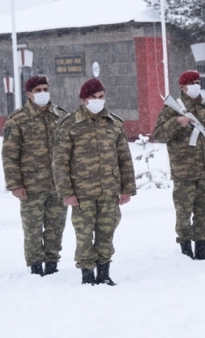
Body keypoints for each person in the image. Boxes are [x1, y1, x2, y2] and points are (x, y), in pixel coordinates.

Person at [52, 79, 136, 285]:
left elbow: (124, 158)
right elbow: (60, 162)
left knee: (107, 232)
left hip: (109, 190)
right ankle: (87, 276)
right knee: (84, 234)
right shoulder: (69, 124)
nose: (98, 101)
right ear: (84, 100)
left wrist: (127, 188)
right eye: (93, 97)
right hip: (82, 192)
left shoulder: (114, 123)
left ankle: (104, 274)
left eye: (101, 97)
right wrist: (66, 192)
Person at [1, 75, 69, 276]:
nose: (42, 93)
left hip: (58, 185)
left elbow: (70, 151)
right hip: (31, 186)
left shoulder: (61, 116)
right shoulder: (18, 120)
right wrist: (15, 184)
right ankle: (36, 267)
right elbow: (10, 155)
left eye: (45, 89)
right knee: (32, 229)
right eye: (38, 90)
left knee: (56, 227)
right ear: (29, 94)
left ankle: (52, 264)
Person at [153, 70, 205, 260]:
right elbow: (158, 135)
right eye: (191, 83)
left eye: (197, 82)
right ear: (182, 87)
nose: (195, 86)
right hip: (184, 171)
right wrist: (176, 122)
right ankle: (185, 249)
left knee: (203, 212)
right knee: (183, 213)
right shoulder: (172, 109)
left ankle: (201, 247)